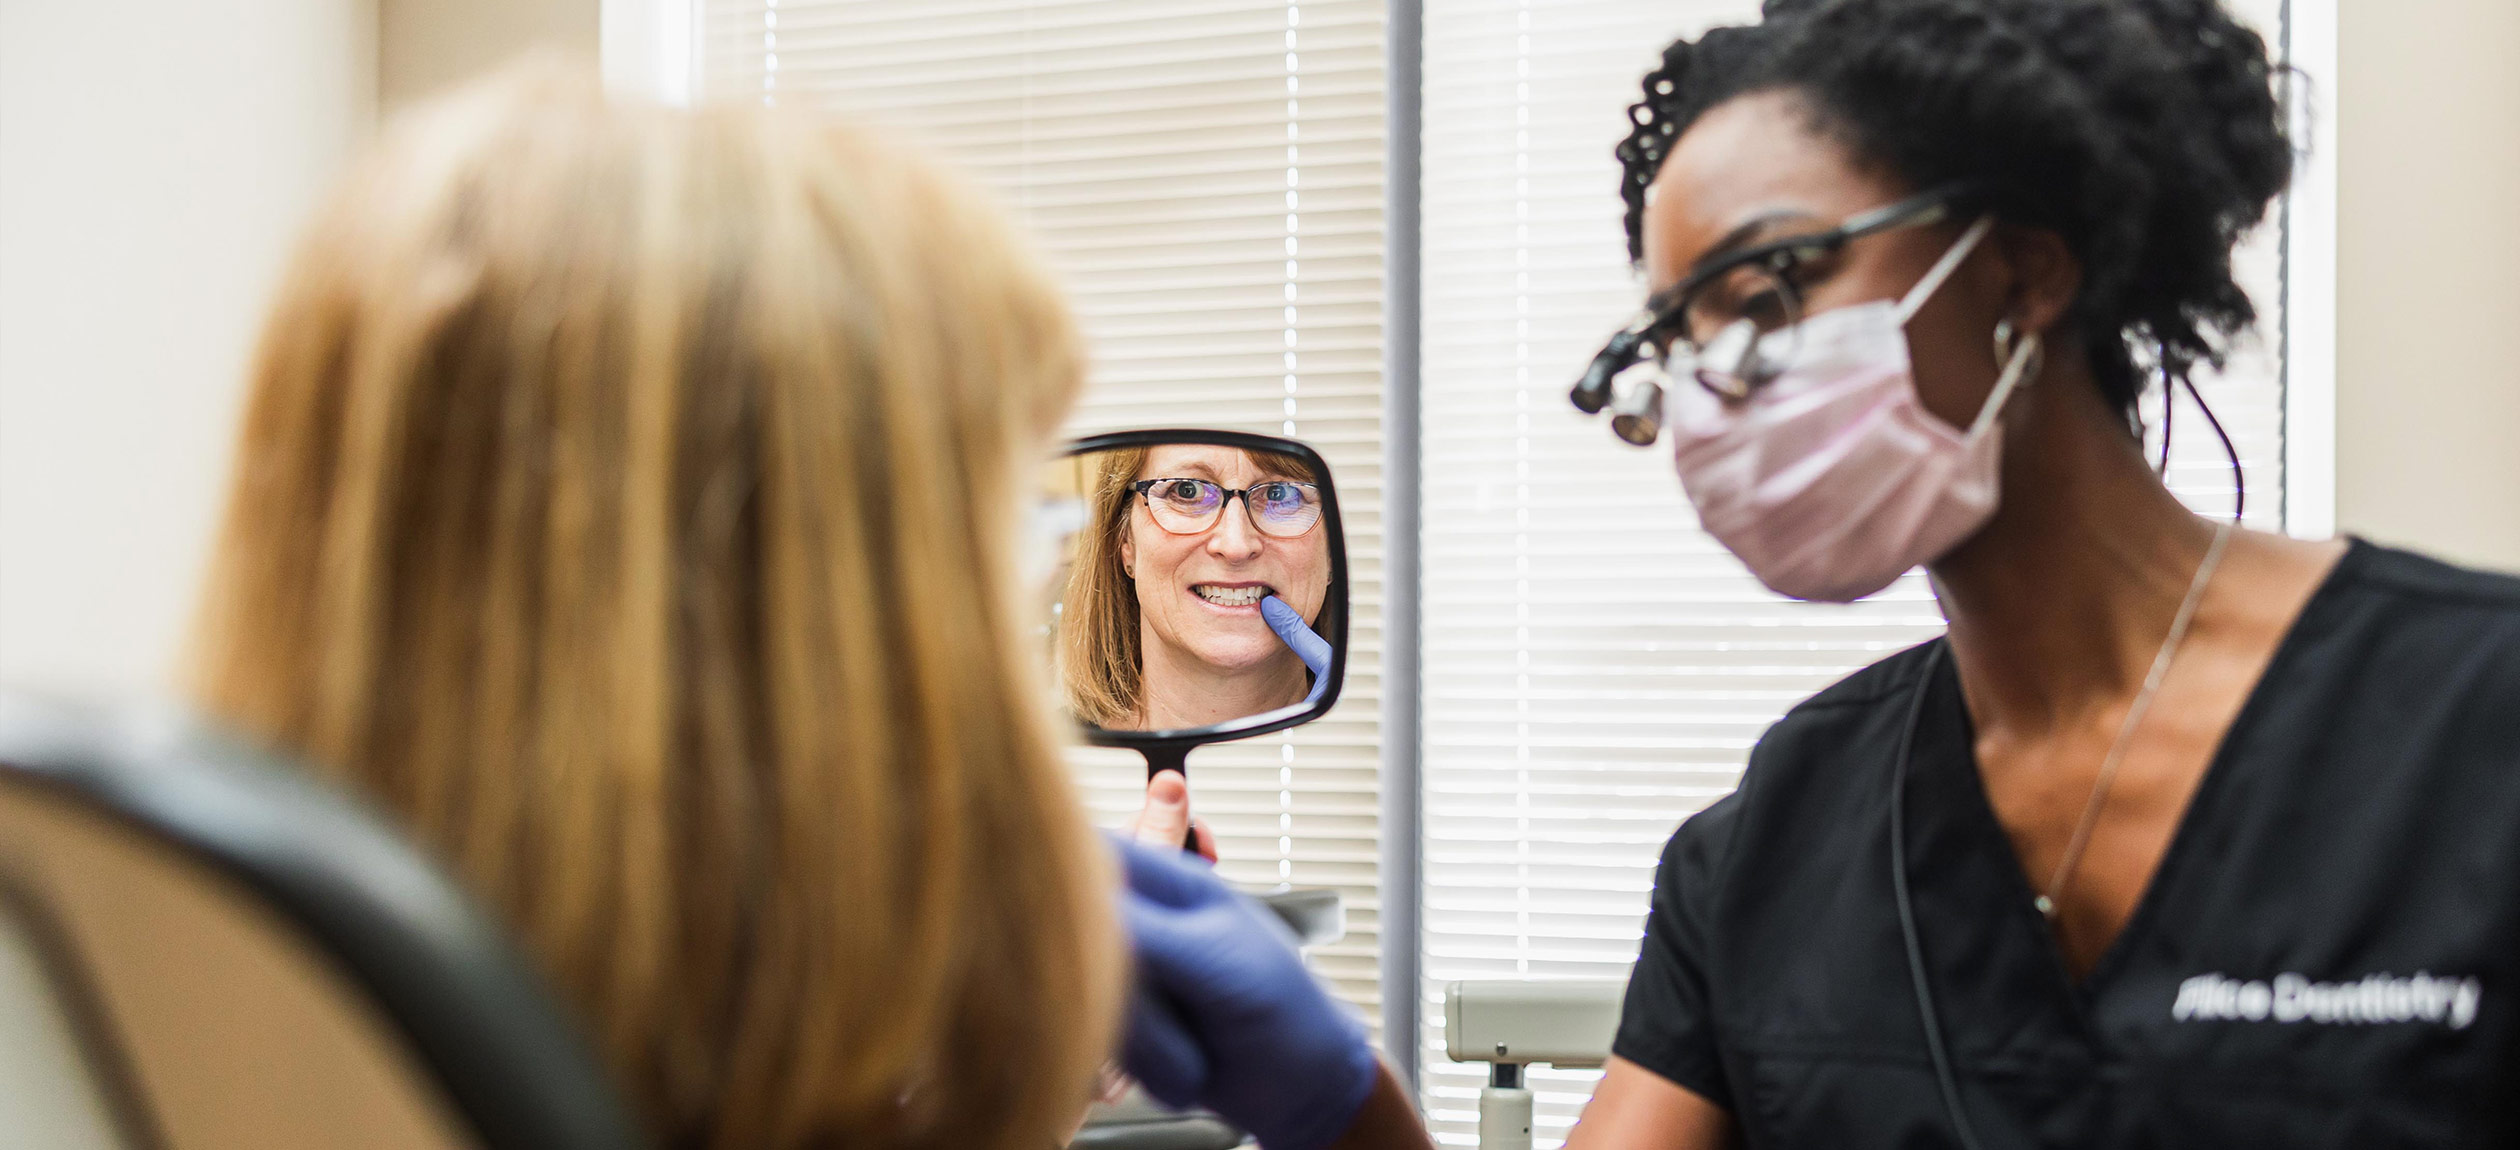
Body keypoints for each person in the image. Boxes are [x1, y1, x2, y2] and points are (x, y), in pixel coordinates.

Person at [1132, 0, 2520, 1147]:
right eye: (1674, 337)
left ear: (2025, 269)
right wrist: (1339, 1097)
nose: (1715, 387)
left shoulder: (2474, 719)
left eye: (1771, 290)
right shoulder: (1782, 831)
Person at [179, 63, 1420, 1150]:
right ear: (784, 625)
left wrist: (1035, 1072)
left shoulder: (193, 1053)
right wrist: (1353, 1110)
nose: (1038, 573)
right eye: (1006, 513)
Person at [1061, 443, 1334, 731]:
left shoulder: (1373, 754)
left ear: (1333, 549)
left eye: (1281, 493)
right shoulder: (1040, 760)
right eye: (1187, 491)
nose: (1236, 546)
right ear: (1126, 541)